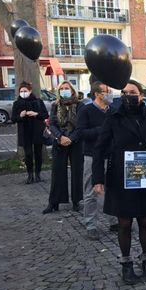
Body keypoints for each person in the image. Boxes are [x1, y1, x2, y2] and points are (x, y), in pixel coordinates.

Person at [92, 80, 146, 283]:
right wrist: (98, 178)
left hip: (145, 172)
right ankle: (126, 265)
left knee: (145, 220)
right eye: (124, 92)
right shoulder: (113, 116)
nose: (128, 95)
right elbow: (99, 148)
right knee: (124, 223)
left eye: (132, 92)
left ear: (141, 95)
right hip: (120, 174)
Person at [75, 81, 118, 240]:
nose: (110, 94)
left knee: (112, 190)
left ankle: (113, 220)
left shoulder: (112, 111)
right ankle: (91, 224)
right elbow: (80, 133)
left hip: (111, 155)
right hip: (92, 156)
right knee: (91, 191)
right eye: (107, 91)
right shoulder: (86, 111)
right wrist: (102, 131)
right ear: (97, 94)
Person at [43, 81, 84, 214]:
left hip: (75, 142)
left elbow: (81, 125)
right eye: (62, 89)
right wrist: (60, 137)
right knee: (57, 172)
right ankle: (54, 202)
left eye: (67, 88)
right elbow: (52, 123)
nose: (64, 90)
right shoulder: (55, 105)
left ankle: (77, 201)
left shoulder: (80, 105)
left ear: (72, 91)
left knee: (77, 172)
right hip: (59, 141)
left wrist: (71, 138)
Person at [11, 81, 49, 184]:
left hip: (37, 131)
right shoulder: (17, 103)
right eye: (21, 91)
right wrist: (20, 116)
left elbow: (45, 115)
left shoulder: (38, 101)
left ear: (30, 91)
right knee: (28, 154)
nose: (23, 93)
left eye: (25, 91)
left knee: (38, 154)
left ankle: (38, 174)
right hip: (25, 132)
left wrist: (36, 113)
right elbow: (13, 119)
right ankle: (30, 175)